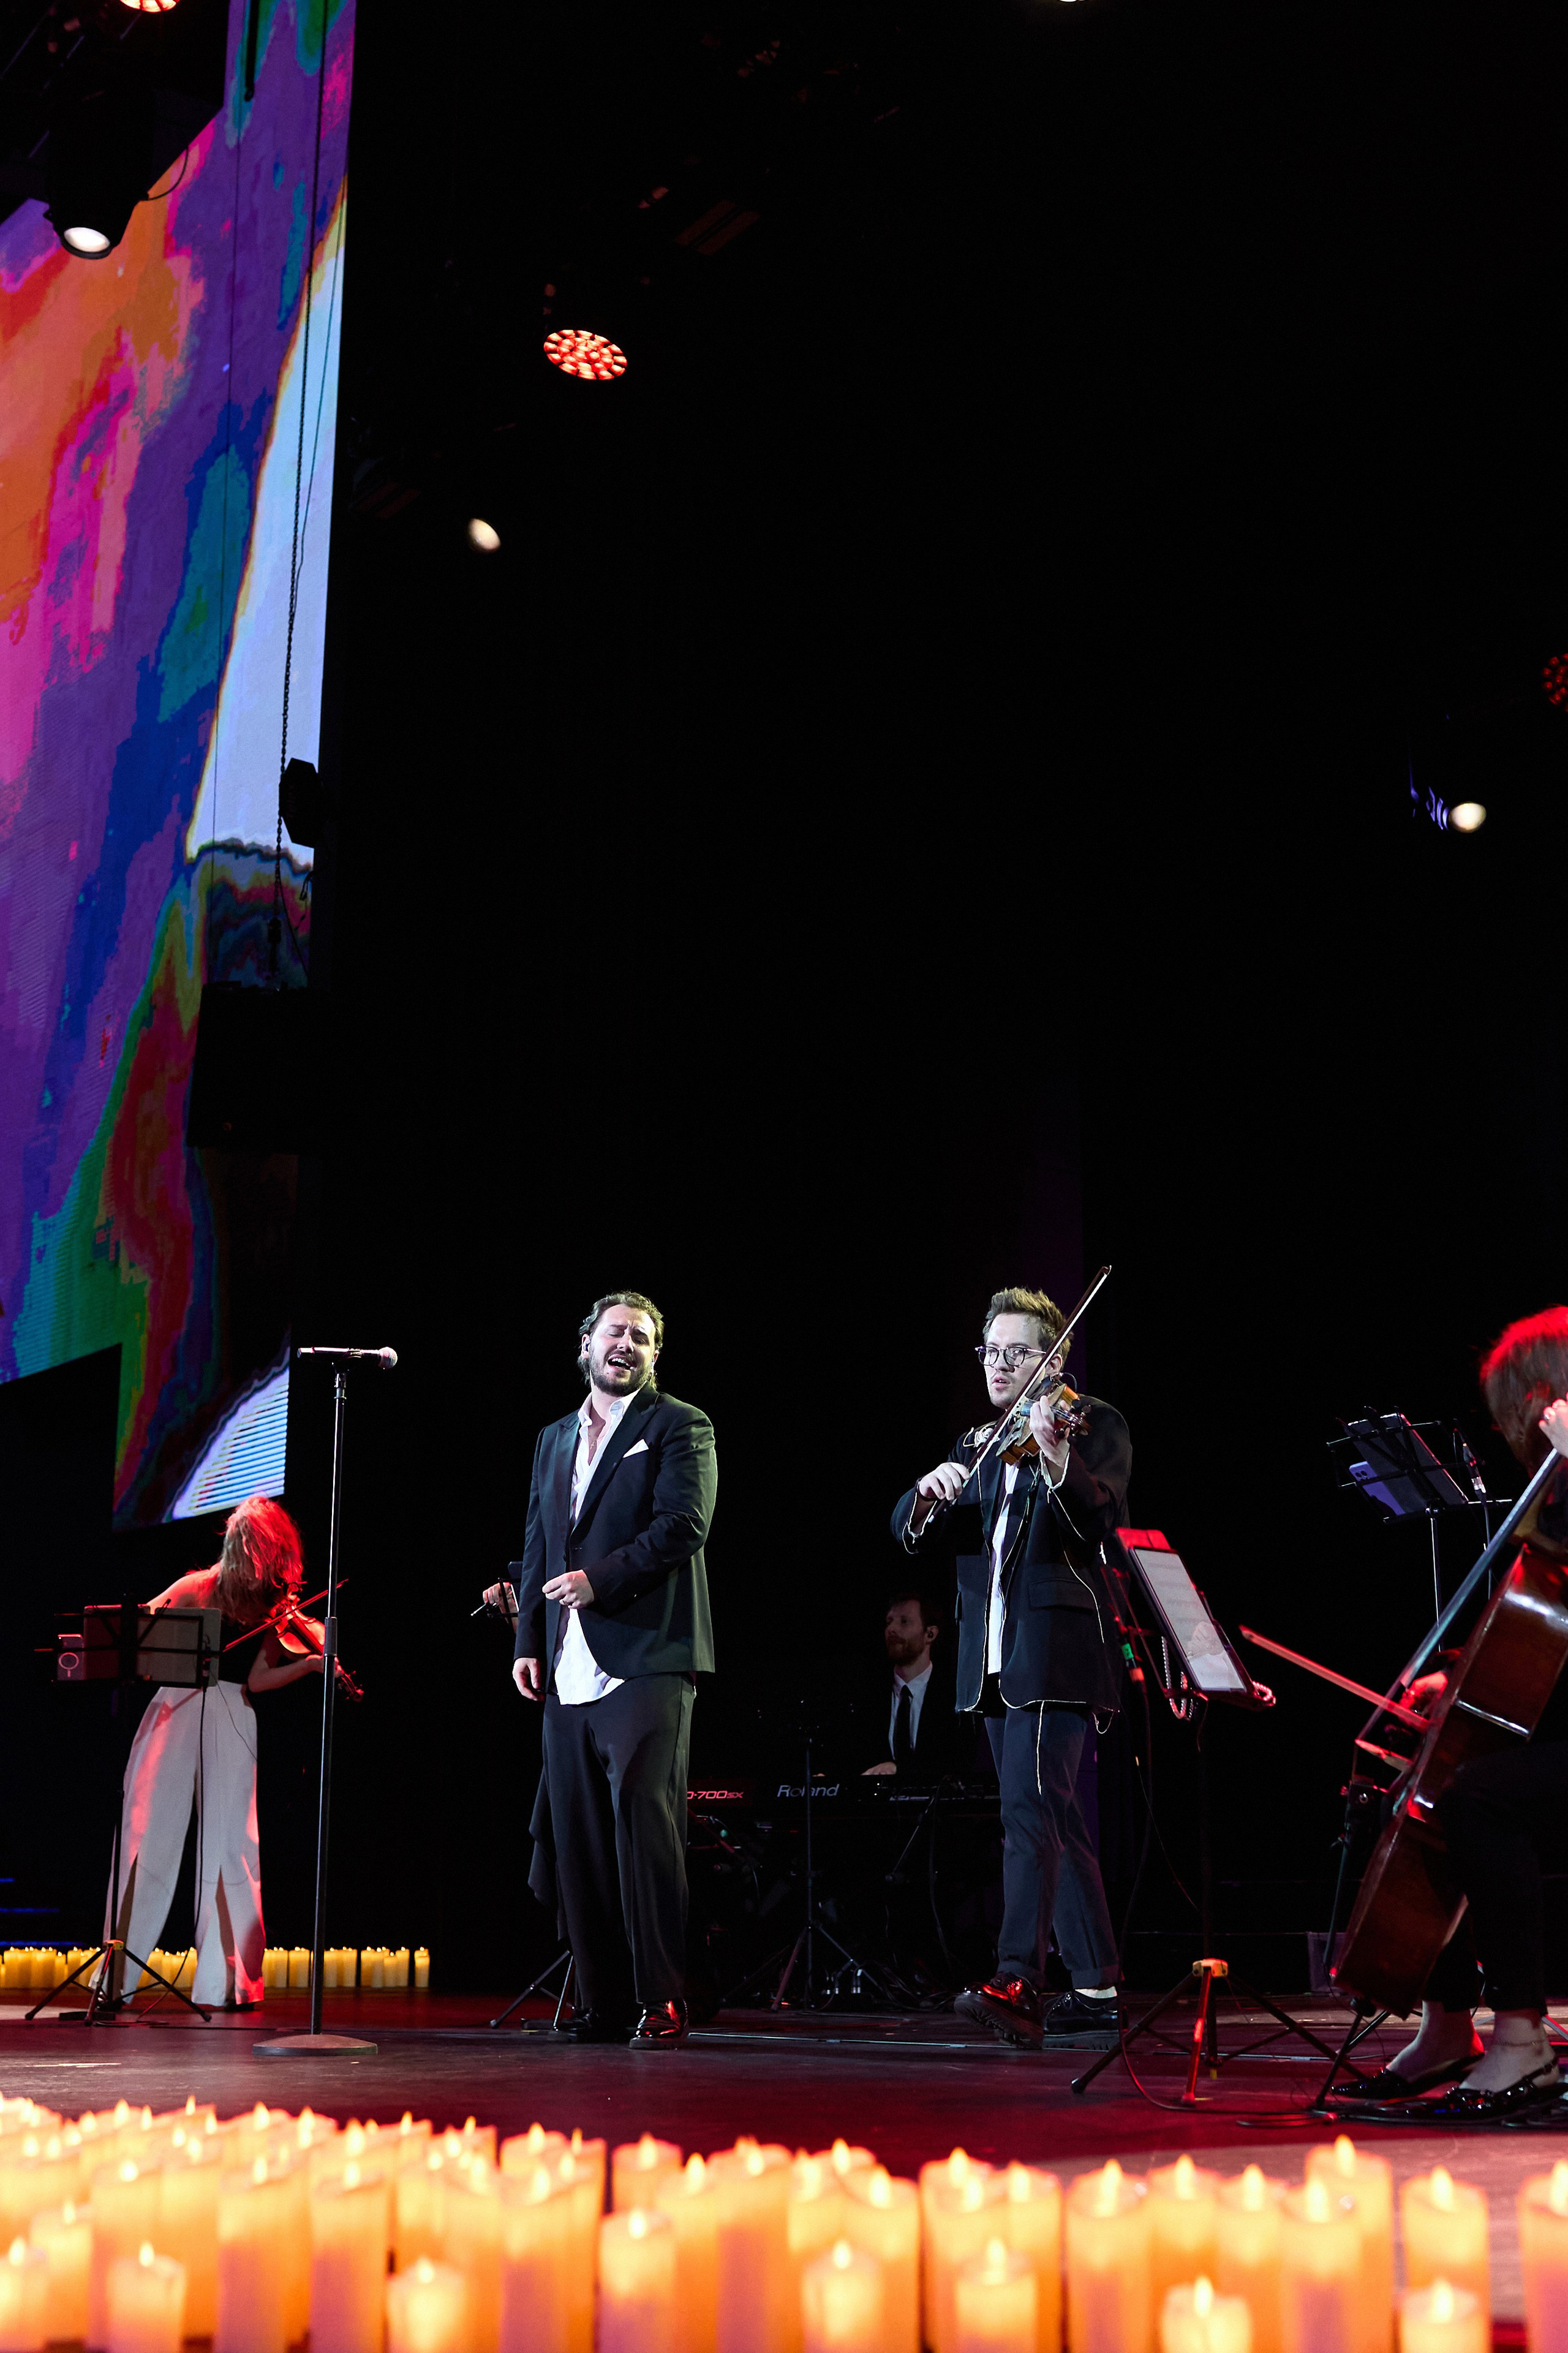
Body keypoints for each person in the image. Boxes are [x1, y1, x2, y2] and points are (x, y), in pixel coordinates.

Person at [1337, 1307, 1568, 2118]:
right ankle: (1446, 2025)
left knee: (1482, 1800)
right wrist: (1459, 1682)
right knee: (1413, 1780)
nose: (1517, 1428)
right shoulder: (1554, 1491)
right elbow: (1537, 1633)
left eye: (1521, 1406)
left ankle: (1522, 2038)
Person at [892, 1285, 1131, 2049]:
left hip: (1055, 1654)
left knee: (1027, 1814)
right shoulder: (976, 1444)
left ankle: (1017, 1977)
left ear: (1054, 1358)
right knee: (1056, 1818)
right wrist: (925, 1498)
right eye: (989, 1351)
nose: (997, 1365)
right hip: (992, 1660)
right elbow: (909, 1529)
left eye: (1015, 1351)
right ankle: (1094, 1985)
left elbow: (1101, 1524)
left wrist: (1058, 1456)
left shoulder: (1089, 1425)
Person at [511, 1291, 717, 2049]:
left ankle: (663, 1999)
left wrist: (600, 1579)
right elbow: (539, 1540)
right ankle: (601, 2004)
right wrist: (527, 1640)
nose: (625, 1344)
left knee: (646, 1827)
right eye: (614, 1332)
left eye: (641, 1336)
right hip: (566, 1660)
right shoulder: (552, 1437)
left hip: (648, 1654)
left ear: (655, 1353)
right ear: (586, 1343)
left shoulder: (678, 1424)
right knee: (580, 1837)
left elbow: (683, 1525)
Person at [108, 1495, 325, 2008]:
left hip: (232, 1712)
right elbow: (138, 1631)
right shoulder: (196, 1586)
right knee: (147, 1836)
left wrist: (313, 1666)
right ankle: (117, 1978)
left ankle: (226, 1983)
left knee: (232, 1845)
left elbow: (257, 1678)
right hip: (175, 1707)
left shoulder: (271, 1608)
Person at [861, 1590, 966, 1781]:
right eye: (889, 1622)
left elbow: (957, 1761)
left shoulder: (955, 1696)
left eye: (904, 1622)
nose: (891, 1629)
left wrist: (899, 1769)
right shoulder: (868, 1696)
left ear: (930, 1634)